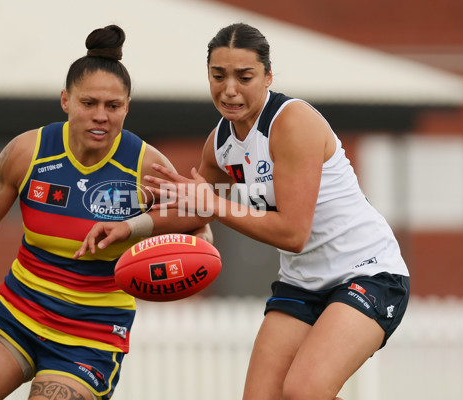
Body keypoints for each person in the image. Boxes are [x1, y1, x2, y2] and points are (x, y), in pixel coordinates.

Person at [86, 23, 410, 400]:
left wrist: (214, 204)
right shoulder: (221, 142)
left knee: (304, 391)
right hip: (303, 282)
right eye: (218, 76)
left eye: (245, 76)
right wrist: (131, 227)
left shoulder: (292, 122)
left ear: (268, 76)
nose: (229, 90)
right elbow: (194, 213)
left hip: (368, 272)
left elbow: (293, 233)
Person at [0, 25, 209, 400]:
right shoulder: (29, 152)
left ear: (127, 107)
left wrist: (134, 228)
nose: (101, 116)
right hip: (15, 312)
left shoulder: (146, 167)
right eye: (88, 103)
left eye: (113, 106)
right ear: (65, 100)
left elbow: (200, 235)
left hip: (90, 335)